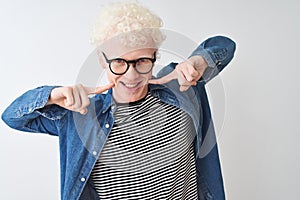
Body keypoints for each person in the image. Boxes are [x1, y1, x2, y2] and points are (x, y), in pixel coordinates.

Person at [2, 1, 236, 200]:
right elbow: (12, 117)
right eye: (119, 62)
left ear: (155, 56)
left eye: (142, 61)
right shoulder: (81, 115)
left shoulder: (182, 86)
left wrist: (198, 62)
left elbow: (225, 45)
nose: (131, 75)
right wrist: (51, 95)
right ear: (102, 60)